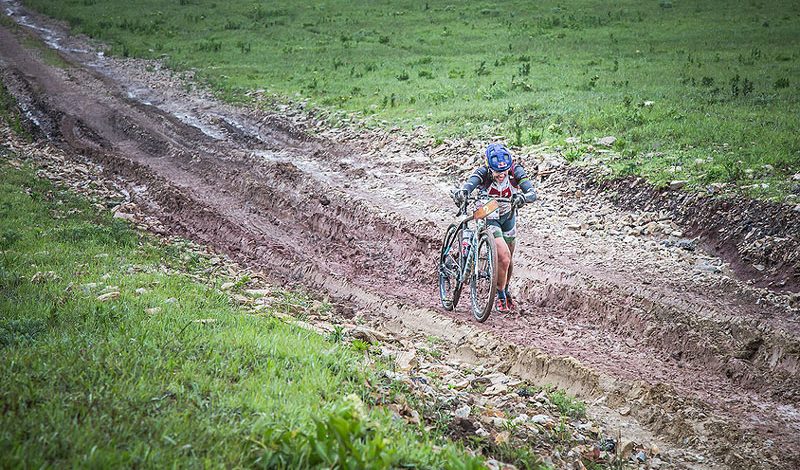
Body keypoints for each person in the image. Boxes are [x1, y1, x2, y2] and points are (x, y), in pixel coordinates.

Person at [452, 143, 537, 313]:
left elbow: (532, 193)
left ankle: (505, 290)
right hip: (489, 216)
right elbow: (470, 184)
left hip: (508, 217)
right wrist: (464, 192)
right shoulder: (483, 172)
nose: (501, 174)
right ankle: (500, 296)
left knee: (508, 262)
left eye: (504, 170)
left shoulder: (516, 171)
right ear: (489, 168)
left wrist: (523, 197)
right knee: (503, 257)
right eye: (497, 171)